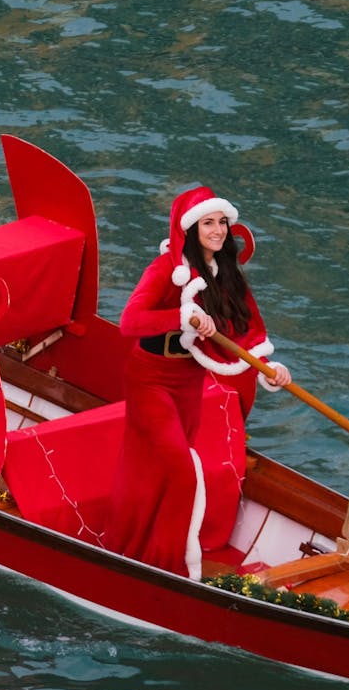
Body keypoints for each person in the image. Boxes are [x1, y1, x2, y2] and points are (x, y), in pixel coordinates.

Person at [105, 186, 291, 578]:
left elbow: (248, 332)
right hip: (151, 378)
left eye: (222, 222)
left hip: (188, 379)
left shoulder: (228, 277)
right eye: (208, 223)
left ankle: (153, 554)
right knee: (180, 470)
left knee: (161, 471)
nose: (218, 230)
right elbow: (129, 323)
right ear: (191, 229)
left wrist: (268, 368)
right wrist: (181, 316)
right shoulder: (164, 271)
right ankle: (164, 565)